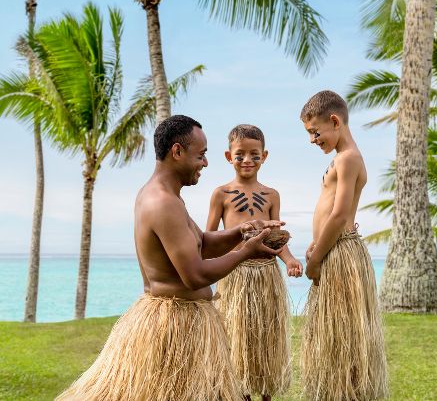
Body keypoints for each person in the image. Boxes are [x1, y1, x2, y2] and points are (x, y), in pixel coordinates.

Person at [56, 115, 283, 401]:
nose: (205, 163)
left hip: (185, 319)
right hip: (173, 324)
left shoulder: (168, 197)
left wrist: (243, 231)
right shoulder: (162, 203)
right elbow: (195, 275)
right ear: (177, 152)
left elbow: (202, 244)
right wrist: (246, 252)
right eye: (200, 155)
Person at [300, 91, 388, 400]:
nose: (312, 139)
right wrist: (315, 242)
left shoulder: (348, 157)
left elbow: (338, 215)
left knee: (344, 339)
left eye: (315, 132)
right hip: (331, 248)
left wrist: (314, 262)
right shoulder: (342, 157)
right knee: (334, 339)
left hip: (339, 253)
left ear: (334, 121)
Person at [206, 124, 302, 401]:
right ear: (228, 156)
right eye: (240, 155)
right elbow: (209, 237)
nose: (247, 160)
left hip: (266, 275)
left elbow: (275, 238)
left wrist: (290, 259)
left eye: (254, 155)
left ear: (265, 156)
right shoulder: (221, 194)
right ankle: (241, 392)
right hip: (235, 274)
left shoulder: (271, 195)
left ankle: (266, 393)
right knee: (238, 339)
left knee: (265, 337)